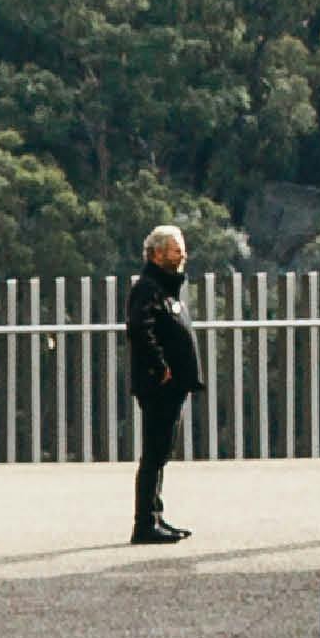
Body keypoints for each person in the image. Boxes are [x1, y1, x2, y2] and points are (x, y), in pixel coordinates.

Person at [119, 226, 197, 545]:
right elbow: (140, 328)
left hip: (171, 384)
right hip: (158, 384)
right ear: (155, 254)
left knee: (162, 451)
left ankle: (155, 515)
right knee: (154, 453)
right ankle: (144, 523)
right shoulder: (148, 288)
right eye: (174, 249)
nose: (181, 254)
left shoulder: (165, 288)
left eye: (181, 249)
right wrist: (160, 366)